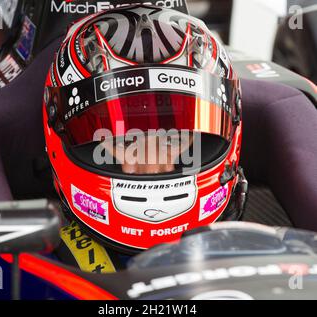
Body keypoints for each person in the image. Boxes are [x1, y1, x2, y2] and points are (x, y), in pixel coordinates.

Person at [42, 4, 247, 272]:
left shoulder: (269, 237)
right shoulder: (41, 268)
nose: (152, 165)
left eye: (173, 138)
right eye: (126, 141)